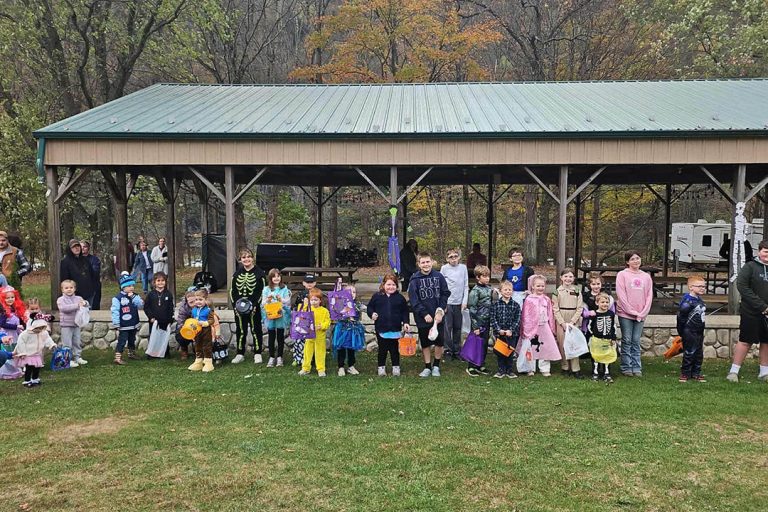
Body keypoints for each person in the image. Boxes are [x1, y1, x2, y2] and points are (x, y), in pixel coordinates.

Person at [727, 240, 768, 383]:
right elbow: (742, 287)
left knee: (766, 342)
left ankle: (764, 372)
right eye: (765, 251)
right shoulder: (750, 266)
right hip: (751, 311)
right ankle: (734, 371)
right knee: (745, 341)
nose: (767, 255)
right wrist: (762, 306)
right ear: (760, 252)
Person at [408, 251, 451, 378]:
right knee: (425, 343)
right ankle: (427, 366)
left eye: (428, 262)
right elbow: (413, 299)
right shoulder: (414, 279)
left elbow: (445, 293)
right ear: (419, 264)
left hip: (438, 317)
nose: (426, 264)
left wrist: (440, 310)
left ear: (432, 262)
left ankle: (436, 366)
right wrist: (424, 313)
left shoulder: (439, 276)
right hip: (423, 318)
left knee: (439, 342)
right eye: (423, 262)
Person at [615, 250, 653, 377]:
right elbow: (621, 294)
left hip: (641, 314)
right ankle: (626, 366)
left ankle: (636, 367)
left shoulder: (646, 276)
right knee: (627, 339)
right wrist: (631, 311)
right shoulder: (622, 275)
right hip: (625, 314)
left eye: (637, 258)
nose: (636, 261)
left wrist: (643, 311)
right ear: (627, 262)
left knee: (636, 340)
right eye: (632, 259)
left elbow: (649, 295)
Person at [367, 273, 410, 377]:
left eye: (393, 285)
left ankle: (396, 367)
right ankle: (381, 368)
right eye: (388, 285)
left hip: (395, 329)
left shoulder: (400, 298)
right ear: (383, 285)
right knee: (382, 350)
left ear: (397, 286)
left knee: (394, 350)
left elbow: (405, 311)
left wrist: (406, 323)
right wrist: (372, 314)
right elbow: (370, 307)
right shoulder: (377, 296)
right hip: (381, 328)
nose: (391, 287)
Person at [518, 274, 561, 377]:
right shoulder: (529, 299)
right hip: (532, 327)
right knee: (531, 347)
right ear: (532, 286)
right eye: (538, 286)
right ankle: (530, 368)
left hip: (544, 325)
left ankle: (544, 368)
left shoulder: (546, 299)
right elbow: (526, 315)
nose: (540, 288)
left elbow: (550, 313)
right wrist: (526, 328)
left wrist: (551, 327)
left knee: (544, 346)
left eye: (542, 286)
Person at [229, 248, 266, 365]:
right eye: (244, 257)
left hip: (254, 307)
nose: (246, 259)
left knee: (256, 329)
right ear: (240, 260)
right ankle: (240, 353)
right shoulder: (237, 274)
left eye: (248, 256)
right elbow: (232, 291)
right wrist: (235, 305)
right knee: (241, 330)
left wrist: (255, 305)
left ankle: (257, 353)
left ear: (252, 258)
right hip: (239, 308)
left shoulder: (260, 273)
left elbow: (262, 291)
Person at [553, 268, 585, 378]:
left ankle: (576, 368)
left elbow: (579, 308)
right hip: (561, 318)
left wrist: (572, 322)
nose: (568, 279)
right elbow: (555, 309)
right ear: (561, 278)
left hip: (573, 318)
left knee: (574, 343)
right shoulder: (557, 291)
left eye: (570, 276)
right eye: (565, 276)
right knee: (562, 344)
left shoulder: (577, 290)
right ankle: (565, 366)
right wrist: (562, 323)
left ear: (573, 278)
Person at [440, 248, 469, 359]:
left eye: (455, 256)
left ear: (459, 257)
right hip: (448, 302)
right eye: (451, 257)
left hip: (459, 302)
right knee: (447, 327)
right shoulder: (444, 268)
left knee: (458, 327)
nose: (453, 259)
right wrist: (443, 304)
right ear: (447, 259)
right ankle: (448, 349)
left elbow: (466, 285)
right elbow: (441, 286)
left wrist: (464, 301)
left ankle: (457, 349)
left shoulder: (463, 268)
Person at [466, 265, 494, 377]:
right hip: (478, 322)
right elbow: (472, 310)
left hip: (487, 321)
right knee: (475, 344)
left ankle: (480, 364)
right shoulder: (475, 291)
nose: (487, 278)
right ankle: (471, 366)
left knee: (484, 344)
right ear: (478, 277)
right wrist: (475, 327)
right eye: (484, 276)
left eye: (488, 276)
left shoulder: (489, 289)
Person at [677, 277, 707, 383]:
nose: (703, 288)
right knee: (690, 352)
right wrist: (682, 331)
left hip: (699, 330)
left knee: (699, 353)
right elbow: (681, 318)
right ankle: (685, 373)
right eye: (700, 286)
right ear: (691, 287)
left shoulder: (699, 299)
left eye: (704, 286)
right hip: (689, 330)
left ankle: (696, 372)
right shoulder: (687, 302)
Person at [110, 272, 144, 365]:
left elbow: (140, 304)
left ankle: (131, 353)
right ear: (123, 287)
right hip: (123, 324)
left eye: (132, 285)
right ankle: (118, 357)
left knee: (132, 339)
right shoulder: (117, 298)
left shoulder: (135, 296)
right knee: (122, 340)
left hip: (133, 323)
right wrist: (116, 323)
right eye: (129, 286)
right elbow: (115, 311)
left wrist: (133, 297)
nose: (131, 287)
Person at [333, 284, 366, 376]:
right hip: (342, 329)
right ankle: (341, 367)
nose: (352, 294)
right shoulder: (340, 303)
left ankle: (351, 366)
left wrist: (373, 312)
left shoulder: (357, 304)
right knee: (341, 348)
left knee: (352, 348)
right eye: (349, 292)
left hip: (353, 330)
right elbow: (336, 313)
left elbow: (367, 309)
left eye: (354, 292)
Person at [491, 280, 521, 379]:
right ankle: (501, 370)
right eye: (505, 290)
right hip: (500, 333)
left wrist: (511, 330)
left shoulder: (515, 305)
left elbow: (517, 319)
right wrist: (498, 329)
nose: (508, 291)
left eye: (510, 290)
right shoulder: (496, 304)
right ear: (500, 291)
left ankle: (509, 370)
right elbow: (493, 318)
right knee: (500, 352)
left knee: (510, 352)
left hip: (511, 334)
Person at [13, 318, 56, 387]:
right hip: (28, 354)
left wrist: (51, 344)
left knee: (37, 368)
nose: (39, 330)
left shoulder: (43, 333)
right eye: (38, 328)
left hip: (37, 354)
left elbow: (47, 339)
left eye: (41, 328)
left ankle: (35, 379)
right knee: (29, 368)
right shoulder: (26, 334)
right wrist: (22, 352)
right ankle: (27, 381)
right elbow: (20, 342)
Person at [261, 268, 291, 367]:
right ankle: (271, 356)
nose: (276, 278)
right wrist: (268, 300)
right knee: (271, 336)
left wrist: (281, 299)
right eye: (274, 276)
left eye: (278, 276)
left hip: (281, 316)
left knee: (280, 336)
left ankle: (280, 357)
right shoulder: (266, 289)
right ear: (270, 278)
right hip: (270, 316)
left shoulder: (284, 288)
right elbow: (263, 303)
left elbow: (287, 301)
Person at [298, 288, 331, 377]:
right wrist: (305, 305)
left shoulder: (324, 311)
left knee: (320, 352)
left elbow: (328, 322)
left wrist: (322, 326)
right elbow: (301, 315)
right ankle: (305, 368)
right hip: (309, 335)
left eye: (316, 300)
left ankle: (321, 369)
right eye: (312, 300)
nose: (314, 302)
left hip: (320, 336)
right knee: (307, 352)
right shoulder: (308, 309)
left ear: (320, 300)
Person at [56, 279, 88, 368]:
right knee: (67, 343)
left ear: (74, 289)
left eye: (71, 287)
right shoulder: (60, 300)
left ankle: (77, 357)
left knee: (76, 342)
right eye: (66, 288)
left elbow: (86, 304)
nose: (69, 289)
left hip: (77, 324)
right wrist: (77, 305)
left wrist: (85, 303)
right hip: (66, 325)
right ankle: (67, 360)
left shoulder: (79, 298)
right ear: (62, 289)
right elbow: (64, 308)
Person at [187, 289, 220, 373]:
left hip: (206, 330)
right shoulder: (194, 310)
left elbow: (212, 320)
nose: (198, 302)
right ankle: (198, 361)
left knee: (206, 346)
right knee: (197, 345)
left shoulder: (208, 310)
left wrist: (205, 323)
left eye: (200, 300)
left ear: (205, 300)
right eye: (196, 300)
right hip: (197, 331)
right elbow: (192, 319)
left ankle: (208, 362)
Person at [587, 293, 617, 383]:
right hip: (596, 339)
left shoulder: (611, 314)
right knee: (596, 356)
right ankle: (595, 373)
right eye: (602, 302)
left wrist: (613, 338)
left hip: (608, 339)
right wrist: (592, 336)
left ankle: (606, 373)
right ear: (597, 303)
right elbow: (590, 326)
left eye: (607, 302)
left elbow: (613, 326)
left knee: (607, 356)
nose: (605, 304)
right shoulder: (594, 315)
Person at [144, 272, 175, 359]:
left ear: (165, 282)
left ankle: (165, 352)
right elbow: (146, 307)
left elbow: (170, 308)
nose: (160, 283)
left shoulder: (168, 294)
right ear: (154, 282)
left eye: (162, 281)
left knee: (164, 337)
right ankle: (152, 353)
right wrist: (150, 317)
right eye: (158, 281)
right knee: (153, 336)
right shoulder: (151, 294)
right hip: (154, 320)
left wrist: (170, 319)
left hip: (165, 320)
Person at [291, 274, 317, 367]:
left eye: (311, 282)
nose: (309, 284)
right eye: (307, 282)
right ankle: (298, 358)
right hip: (302, 320)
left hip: (313, 321)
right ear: (303, 283)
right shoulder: (300, 294)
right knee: (299, 340)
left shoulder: (317, 293)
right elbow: (296, 307)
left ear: (315, 283)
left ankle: (312, 358)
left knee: (311, 340)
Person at [60, 239, 96, 306]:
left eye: (78, 246)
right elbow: (65, 279)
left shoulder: (85, 260)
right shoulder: (65, 262)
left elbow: (92, 275)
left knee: (88, 313)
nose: (76, 248)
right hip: (75, 295)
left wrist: (93, 288)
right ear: (70, 249)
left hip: (89, 293)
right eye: (74, 247)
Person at [174, 291, 196, 360]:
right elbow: (180, 322)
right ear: (187, 302)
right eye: (191, 302)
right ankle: (184, 349)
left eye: (195, 301)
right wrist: (186, 330)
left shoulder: (202, 306)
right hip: (187, 328)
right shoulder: (183, 309)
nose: (194, 304)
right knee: (180, 334)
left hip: (199, 327)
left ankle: (200, 351)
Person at [80, 240, 102, 310]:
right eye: (81, 247)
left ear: (88, 248)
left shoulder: (94, 259)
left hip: (93, 287)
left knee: (94, 307)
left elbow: (95, 272)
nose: (82, 248)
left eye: (85, 246)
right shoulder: (75, 259)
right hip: (80, 288)